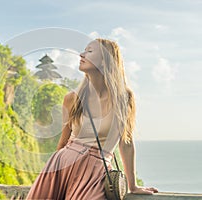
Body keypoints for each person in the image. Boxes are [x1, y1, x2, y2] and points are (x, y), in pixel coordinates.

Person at [26, 38, 158, 199]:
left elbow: (127, 142)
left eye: (89, 51)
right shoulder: (72, 98)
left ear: (105, 61)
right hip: (63, 164)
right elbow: (63, 141)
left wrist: (133, 185)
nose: (82, 54)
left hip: (96, 171)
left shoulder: (124, 98)